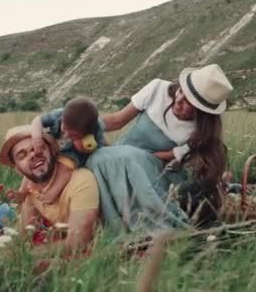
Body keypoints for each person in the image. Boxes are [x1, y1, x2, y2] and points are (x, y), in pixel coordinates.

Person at [91, 64, 233, 232]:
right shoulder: (157, 89)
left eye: (188, 102)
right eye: (181, 91)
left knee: (127, 162)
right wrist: (86, 125)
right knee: (97, 159)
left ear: (202, 111)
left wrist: (138, 160)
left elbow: (168, 156)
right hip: (123, 154)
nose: (178, 101)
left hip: (156, 170)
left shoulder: (202, 131)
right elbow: (116, 121)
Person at [0, 125, 100, 252]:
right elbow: (23, 232)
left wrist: (31, 255)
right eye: (22, 155)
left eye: (39, 148)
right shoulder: (31, 189)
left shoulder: (81, 180)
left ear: (52, 151)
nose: (33, 155)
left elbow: (79, 241)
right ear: (18, 169)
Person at [13, 97, 105, 205]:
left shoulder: (93, 133)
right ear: (63, 118)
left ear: (86, 134)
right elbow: (37, 120)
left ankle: (52, 193)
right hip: (53, 145)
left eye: (73, 135)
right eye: (64, 127)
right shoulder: (58, 114)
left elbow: (96, 149)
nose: (66, 134)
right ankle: (22, 192)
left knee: (65, 166)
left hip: (71, 153)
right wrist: (37, 138)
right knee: (33, 162)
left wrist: (82, 147)